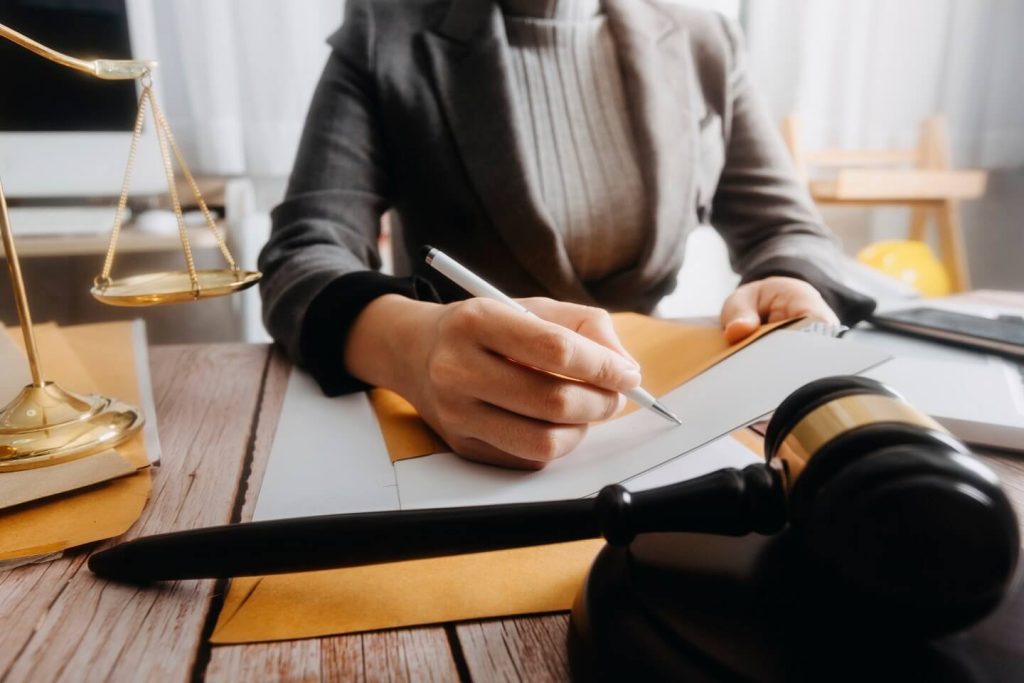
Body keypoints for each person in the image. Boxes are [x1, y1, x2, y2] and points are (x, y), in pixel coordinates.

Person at [259, 0, 875, 470]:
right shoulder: (386, 32)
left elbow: (790, 230)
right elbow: (303, 252)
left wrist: (788, 278)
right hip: (460, 439)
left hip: (662, 425)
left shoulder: (700, 35)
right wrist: (408, 347)